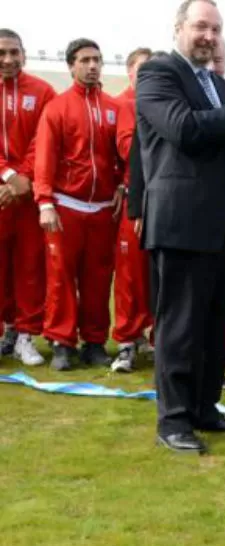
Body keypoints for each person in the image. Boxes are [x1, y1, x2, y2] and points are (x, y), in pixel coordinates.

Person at [137, 0, 225, 453]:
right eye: (201, 26)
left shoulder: (218, 84)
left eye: (216, 29)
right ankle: (173, 420)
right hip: (181, 222)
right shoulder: (159, 74)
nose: (209, 36)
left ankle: (204, 407)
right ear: (178, 28)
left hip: (222, 225)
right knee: (179, 326)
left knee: (216, 326)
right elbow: (185, 130)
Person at [34, 38, 122, 372]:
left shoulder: (114, 108)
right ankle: (61, 343)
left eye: (96, 59)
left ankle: (95, 342)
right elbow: (45, 157)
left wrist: (125, 185)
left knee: (99, 279)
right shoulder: (56, 108)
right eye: (84, 60)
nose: (92, 66)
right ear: (71, 65)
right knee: (61, 278)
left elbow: (125, 155)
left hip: (102, 209)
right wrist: (44, 201)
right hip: (65, 205)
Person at [0, 28, 56, 367]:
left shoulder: (43, 91)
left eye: (14, 52)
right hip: (4, 193)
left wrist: (24, 178)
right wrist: (8, 176)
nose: (7, 59)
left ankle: (25, 335)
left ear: (24, 53)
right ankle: (7, 329)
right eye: (1, 52)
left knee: (30, 269)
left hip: (28, 197)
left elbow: (44, 141)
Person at [111, 46, 154, 373]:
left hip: (164, 198)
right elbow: (128, 149)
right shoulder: (126, 104)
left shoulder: (161, 101)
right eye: (141, 70)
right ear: (129, 72)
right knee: (129, 275)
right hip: (136, 199)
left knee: (157, 274)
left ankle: (150, 335)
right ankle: (126, 341)